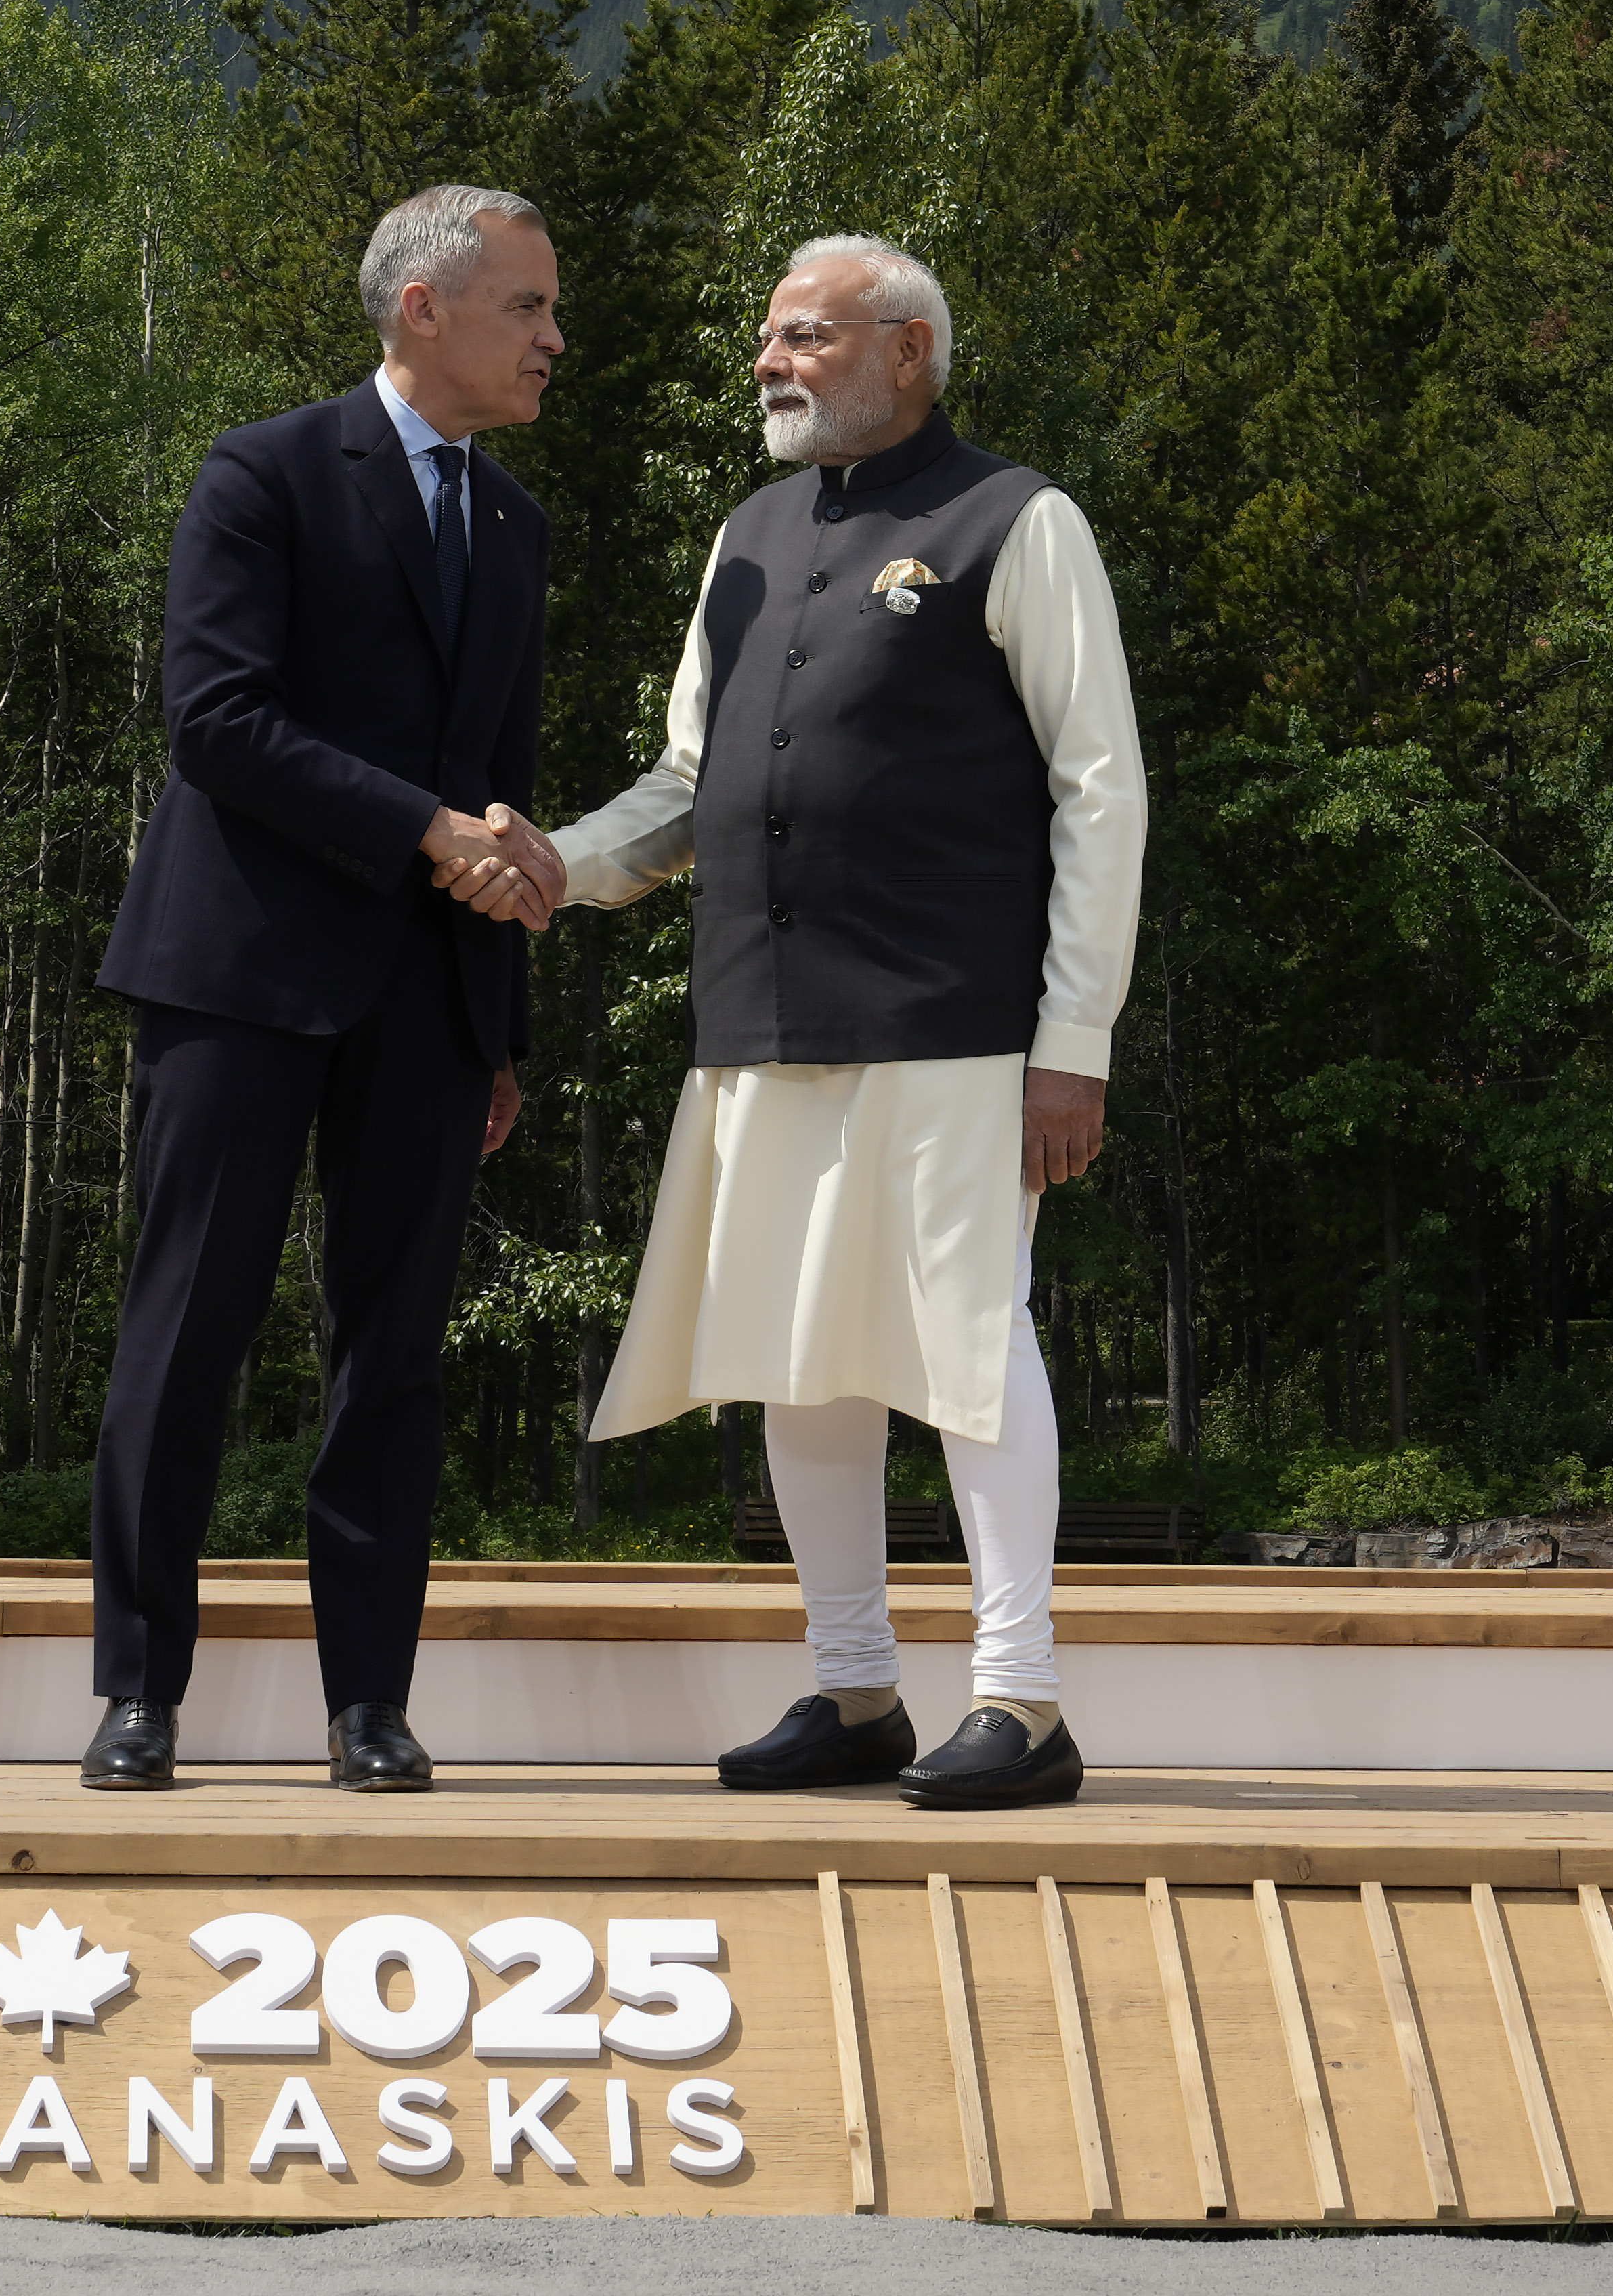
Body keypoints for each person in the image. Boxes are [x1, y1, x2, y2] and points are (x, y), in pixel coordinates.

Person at [471, 232, 1141, 1810]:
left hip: (960, 1027)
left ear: (908, 350)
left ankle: (1022, 1701)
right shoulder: (752, 535)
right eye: (768, 338)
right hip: (760, 1022)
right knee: (799, 1365)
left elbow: (1102, 793)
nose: (771, 361)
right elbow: (694, 786)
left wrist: (1076, 1041)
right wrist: (553, 869)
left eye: (806, 336)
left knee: (973, 1356)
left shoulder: (1020, 521)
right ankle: (856, 1694)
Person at [77, 182, 563, 1793]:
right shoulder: (263, 473)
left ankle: (370, 1706)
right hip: (239, 978)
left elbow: (497, 785)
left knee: (397, 1357)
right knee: (188, 1333)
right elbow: (215, 719)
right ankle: (138, 1694)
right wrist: (426, 830)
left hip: (428, 1004)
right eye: (529, 309)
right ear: (425, 308)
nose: (555, 339)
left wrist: (495, 1027)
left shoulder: (516, 529)